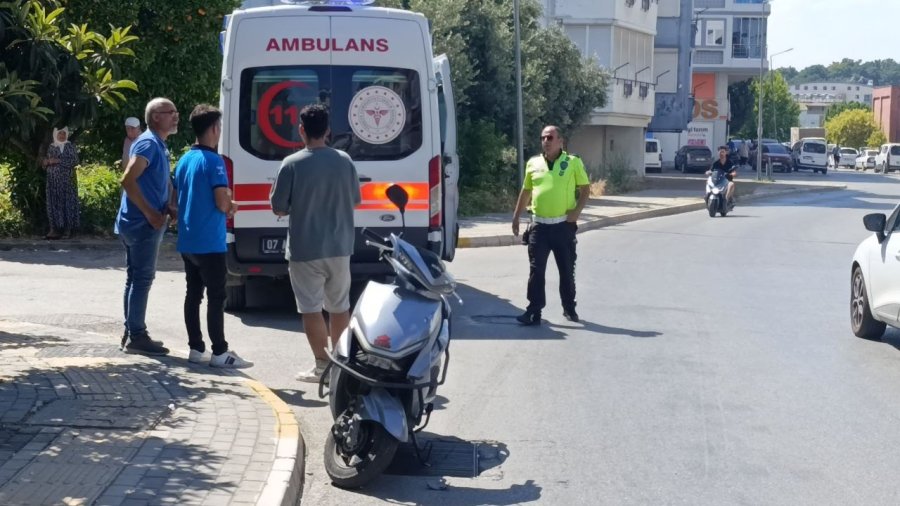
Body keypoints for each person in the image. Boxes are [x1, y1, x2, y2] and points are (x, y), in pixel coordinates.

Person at [269, 104, 361, 383]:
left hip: (305, 249)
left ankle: (322, 366)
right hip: (340, 246)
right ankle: (342, 363)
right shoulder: (345, 160)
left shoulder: (292, 164)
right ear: (328, 131)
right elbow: (356, 200)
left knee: (310, 308)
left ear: (301, 130)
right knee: (339, 306)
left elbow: (279, 208)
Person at [173, 104, 252, 368]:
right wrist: (231, 205)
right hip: (210, 240)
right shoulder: (214, 161)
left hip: (188, 238)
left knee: (192, 294)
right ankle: (220, 352)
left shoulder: (184, 159)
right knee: (217, 296)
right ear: (215, 129)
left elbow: (176, 198)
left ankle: (196, 348)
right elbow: (221, 202)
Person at [115, 98, 179, 356]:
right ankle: (137, 336)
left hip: (139, 221)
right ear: (155, 117)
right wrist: (151, 214)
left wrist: (167, 205)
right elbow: (128, 180)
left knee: (135, 277)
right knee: (141, 278)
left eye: (176, 112)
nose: (176, 116)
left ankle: (133, 331)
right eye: (170, 112)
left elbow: (152, 182)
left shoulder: (157, 144)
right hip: (142, 223)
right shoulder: (149, 143)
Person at [511, 126, 590, 325]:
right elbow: (526, 191)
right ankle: (534, 311)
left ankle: (569, 307)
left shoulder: (572, 162)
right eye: (543, 137)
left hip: (563, 226)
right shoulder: (533, 163)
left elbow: (585, 189)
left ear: (560, 141)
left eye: (550, 137)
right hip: (539, 226)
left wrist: (576, 213)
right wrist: (516, 216)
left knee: (566, 269)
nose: (546, 140)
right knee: (536, 271)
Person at [41, 127, 80, 239]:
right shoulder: (51, 146)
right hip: (53, 181)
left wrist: (58, 161)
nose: (62, 136)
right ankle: (55, 230)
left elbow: (75, 161)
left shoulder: (70, 146)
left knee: (67, 202)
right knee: (54, 203)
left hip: (67, 181)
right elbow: (45, 162)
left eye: (63, 134)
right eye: (59, 134)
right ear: (55, 135)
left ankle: (68, 230)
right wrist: (47, 162)